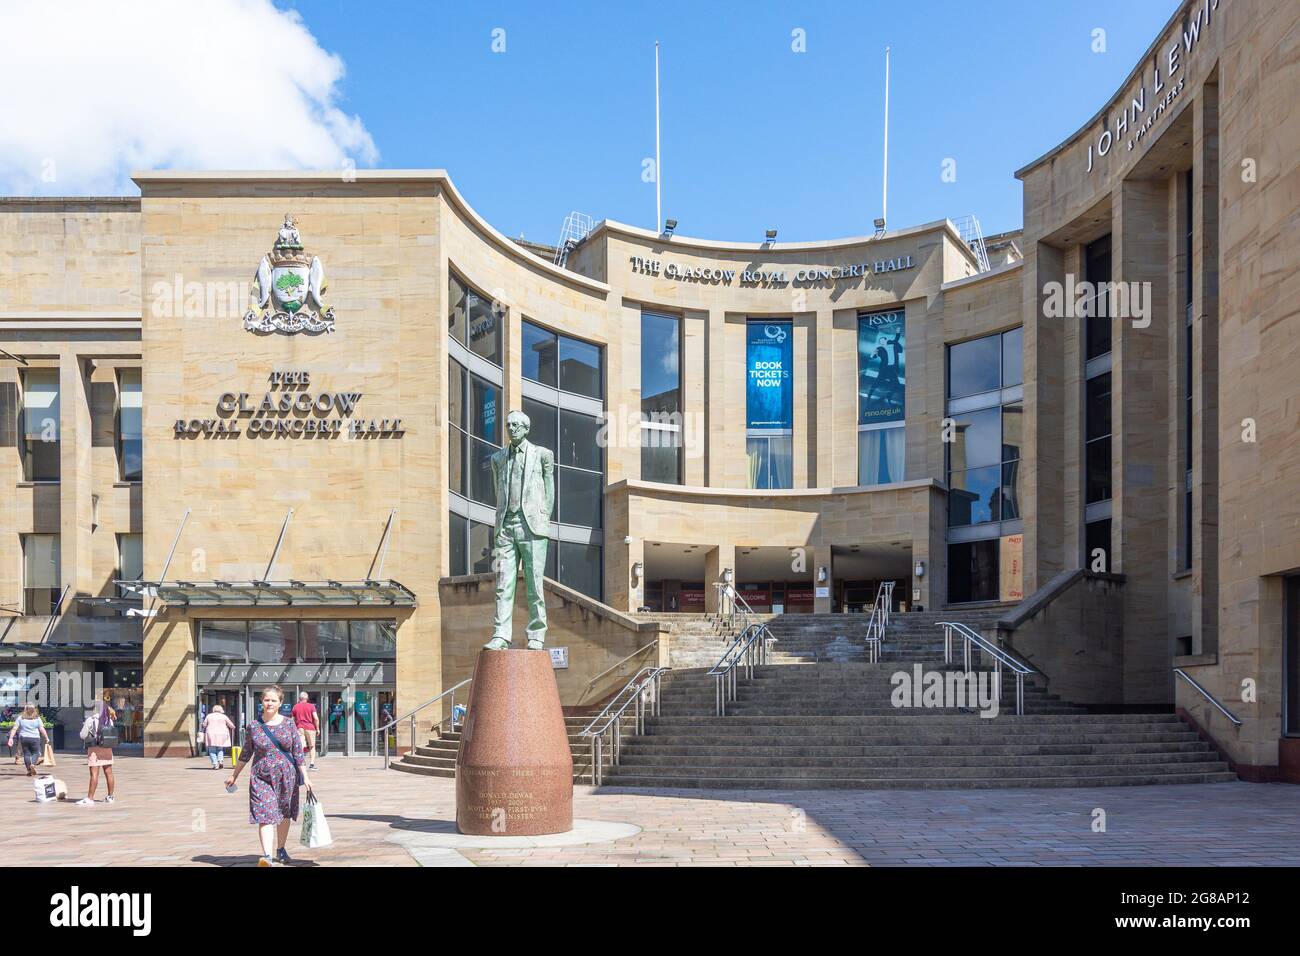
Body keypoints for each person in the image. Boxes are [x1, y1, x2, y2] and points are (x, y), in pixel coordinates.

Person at [224, 685, 313, 867]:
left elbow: (298, 754)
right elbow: (246, 753)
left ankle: (280, 848)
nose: (269, 703)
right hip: (261, 777)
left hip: (286, 777)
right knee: (265, 814)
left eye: (273, 700)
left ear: (280, 703)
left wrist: (307, 778)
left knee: (284, 813)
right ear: (261, 702)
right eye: (266, 700)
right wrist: (234, 775)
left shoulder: (289, 724)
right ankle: (267, 856)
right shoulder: (254, 726)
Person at [76, 700, 118, 806]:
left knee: (94, 774)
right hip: (107, 748)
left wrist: (85, 727)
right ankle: (110, 796)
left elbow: (82, 735)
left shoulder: (91, 719)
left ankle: (90, 798)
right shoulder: (109, 720)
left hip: (95, 749)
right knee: (109, 772)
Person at [7, 704, 49, 777]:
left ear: (25, 710)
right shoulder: (37, 718)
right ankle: (32, 764)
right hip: (35, 738)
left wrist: (11, 738)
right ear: (34, 710)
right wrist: (46, 737)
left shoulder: (20, 718)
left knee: (26, 754)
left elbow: (14, 728)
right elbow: (42, 729)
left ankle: (29, 769)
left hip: (24, 738)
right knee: (35, 753)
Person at [289, 692, 320, 771]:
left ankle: (301, 764)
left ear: (299, 698)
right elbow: (316, 718)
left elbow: (292, 719)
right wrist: (317, 728)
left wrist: (292, 729)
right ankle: (312, 764)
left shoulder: (295, 706)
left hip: (299, 728)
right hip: (310, 728)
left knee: (301, 746)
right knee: (312, 746)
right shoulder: (311, 706)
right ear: (307, 698)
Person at [201, 704, 236, 770]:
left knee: (212, 749)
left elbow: (204, 725)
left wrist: (202, 725)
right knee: (220, 748)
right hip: (222, 734)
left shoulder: (209, 716)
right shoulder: (224, 716)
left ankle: (215, 764)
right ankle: (220, 761)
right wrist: (232, 727)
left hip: (211, 734)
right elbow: (231, 725)